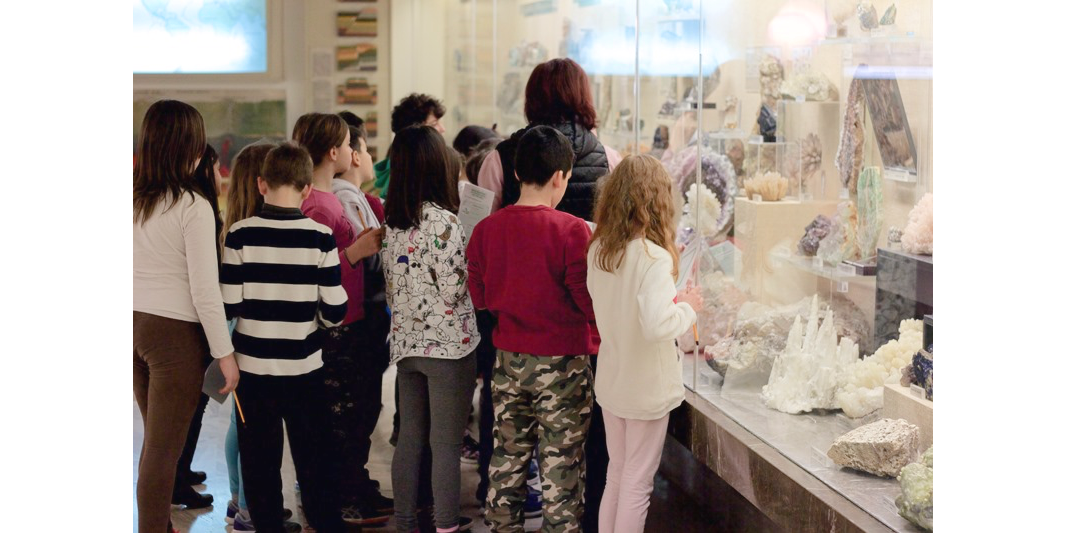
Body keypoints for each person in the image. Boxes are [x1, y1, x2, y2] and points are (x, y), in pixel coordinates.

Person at [467, 126, 598, 533]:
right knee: (562, 465)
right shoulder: (573, 230)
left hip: (507, 360)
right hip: (563, 366)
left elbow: (480, 298)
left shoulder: (486, 231)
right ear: (561, 176)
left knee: (507, 459)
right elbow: (586, 300)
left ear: (517, 173)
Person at [222, 143, 350, 533]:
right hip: (304, 370)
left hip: (252, 372)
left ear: (261, 184)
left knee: (260, 466)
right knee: (315, 462)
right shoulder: (320, 237)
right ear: (307, 189)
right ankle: (326, 524)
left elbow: (229, 304)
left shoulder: (240, 235)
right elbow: (333, 312)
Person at [133, 100, 239, 533]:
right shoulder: (193, 206)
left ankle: (160, 523)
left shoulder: (138, 200)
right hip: (174, 336)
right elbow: (204, 291)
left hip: (136, 326)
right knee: (163, 451)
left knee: (155, 444)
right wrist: (225, 353)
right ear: (188, 148)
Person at [586, 155, 704, 533]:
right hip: (645, 391)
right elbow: (657, 325)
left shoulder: (600, 249)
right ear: (657, 201)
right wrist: (687, 308)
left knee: (617, 477)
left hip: (613, 380)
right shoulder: (652, 258)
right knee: (637, 484)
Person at [382, 125, 481, 533]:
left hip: (406, 346)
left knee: (409, 439)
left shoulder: (391, 222)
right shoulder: (445, 222)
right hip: (449, 349)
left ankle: (405, 522)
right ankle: (445, 525)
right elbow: (456, 290)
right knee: (445, 446)